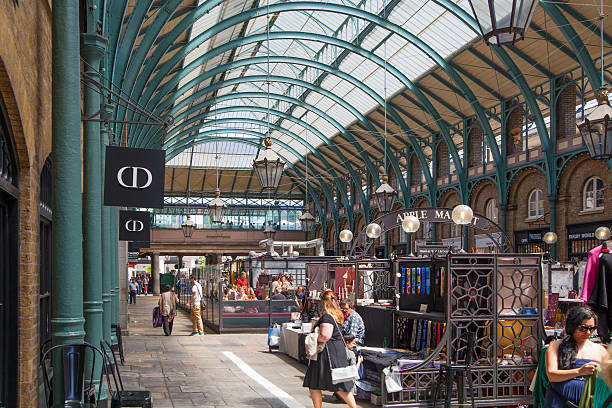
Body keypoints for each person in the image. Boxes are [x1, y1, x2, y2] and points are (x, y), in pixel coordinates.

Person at [544, 306, 607, 408]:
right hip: (558, 401)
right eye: (583, 328)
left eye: (592, 329)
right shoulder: (555, 346)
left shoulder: (600, 350)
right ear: (572, 326)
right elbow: (552, 375)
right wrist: (579, 371)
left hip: (589, 403)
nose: (588, 333)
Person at [303, 290, 357, 408]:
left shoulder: (327, 317)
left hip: (327, 355)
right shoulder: (337, 315)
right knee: (318, 384)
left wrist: (314, 338)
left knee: (337, 385)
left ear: (323, 302)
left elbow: (325, 336)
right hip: (335, 353)